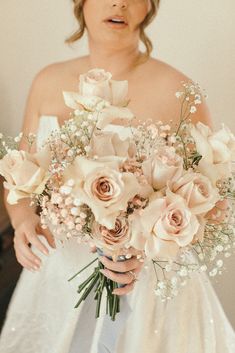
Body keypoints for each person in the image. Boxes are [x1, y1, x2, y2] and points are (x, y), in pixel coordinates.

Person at [0, 1, 235, 352]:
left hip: (152, 293)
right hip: (58, 281)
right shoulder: (47, 82)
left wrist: (152, 250)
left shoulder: (180, 91)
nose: (119, 3)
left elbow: (208, 203)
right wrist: (21, 223)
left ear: (149, 7)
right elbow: (20, 179)